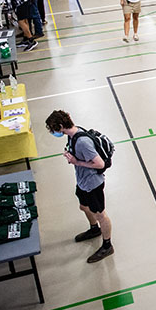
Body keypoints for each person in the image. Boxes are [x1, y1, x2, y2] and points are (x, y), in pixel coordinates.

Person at [45, 110, 113, 263]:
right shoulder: (73, 135)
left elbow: (99, 164)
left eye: (53, 128)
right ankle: (94, 229)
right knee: (84, 206)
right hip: (82, 181)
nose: (53, 132)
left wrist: (77, 162)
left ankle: (107, 245)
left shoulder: (82, 142)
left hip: (92, 183)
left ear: (61, 126)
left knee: (100, 214)